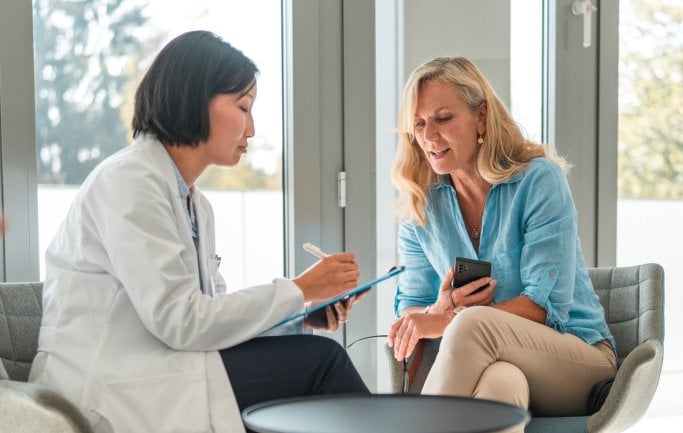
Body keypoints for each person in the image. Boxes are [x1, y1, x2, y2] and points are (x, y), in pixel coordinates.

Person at [29, 31, 369, 433]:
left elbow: (211, 315)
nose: (253, 129)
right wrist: (300, 289)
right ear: (193, 98)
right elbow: (181, 320)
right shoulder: (129, 181)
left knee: (311, 361)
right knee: (321, 363)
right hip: (107, 385)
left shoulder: (193, 202)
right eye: (243, 107)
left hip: (159, 368)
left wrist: (300, 315)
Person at [386, 57, 617, 423]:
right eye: (418, 123)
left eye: (443, 118)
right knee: (501, 385)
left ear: (481, 118)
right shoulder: (420, 204)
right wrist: (438, 309)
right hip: (499, 363)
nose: (429, 136)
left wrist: (452, 319)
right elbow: (411, 313)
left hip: (577, 360)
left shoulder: (539, 180)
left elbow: (544, 309)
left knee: (472, 323)